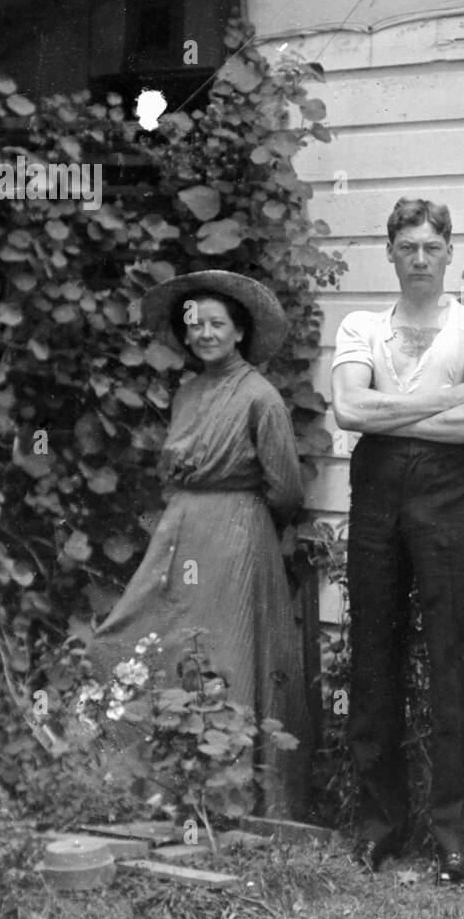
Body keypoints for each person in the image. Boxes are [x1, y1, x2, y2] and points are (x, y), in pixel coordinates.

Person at [331, 198, 464, 883]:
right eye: (406, 246)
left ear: (449, 251)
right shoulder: (361, 326)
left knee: (454, 657)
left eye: (431, 247)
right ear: (390, 252)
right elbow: (349, 407)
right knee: (374, 651)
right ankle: (380, 827)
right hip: (376, 490)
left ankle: (459, 836)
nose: (419, 259)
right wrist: (443, 401)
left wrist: (391, 414)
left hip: (449, 491)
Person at [91, 270, 311, 820]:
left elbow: (286, 489)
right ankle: (159, 788)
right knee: (154, 637)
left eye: (217, 323)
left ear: (239, 332)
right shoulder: (187, 392)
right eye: (195, 325)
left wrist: (248, 531)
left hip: (237, 536)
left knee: (225, 651)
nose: (205, 333)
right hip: (180, 528)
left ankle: (233, 799)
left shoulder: (261, 397)